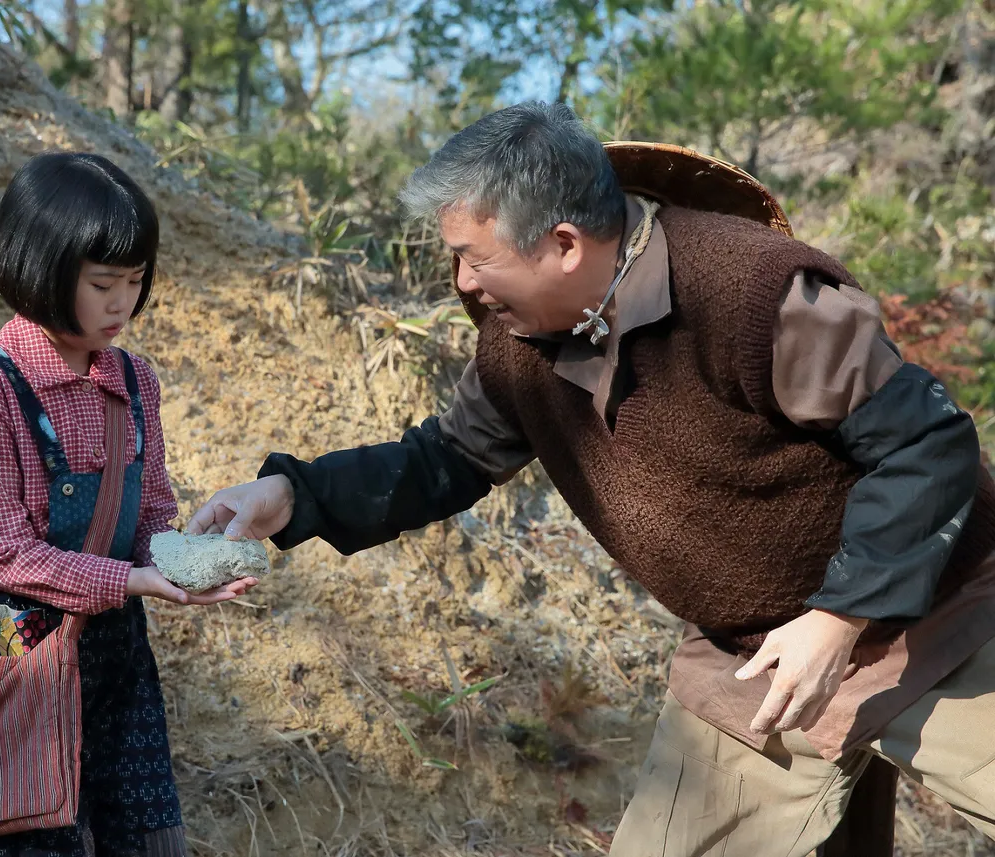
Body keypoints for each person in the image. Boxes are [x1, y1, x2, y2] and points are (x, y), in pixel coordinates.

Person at [188, 102, 995, 855]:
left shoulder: (756, 295)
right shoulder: (518, 345)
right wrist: (294, 495)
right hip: (746, 663)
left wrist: (838, 616)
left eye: (474, 256)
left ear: (566, 244)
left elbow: (927, 444)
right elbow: (446, 458)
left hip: (938, 619)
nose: (462, 281)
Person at [0, 152, 258, 856]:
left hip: (113, 647)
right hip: (10, 643)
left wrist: (186, 557)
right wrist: (133, 580)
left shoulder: (135, 380)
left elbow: (149, 512)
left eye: (135, 282)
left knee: (141, 836)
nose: (122, 303)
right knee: (31, 827)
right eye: (103, 283)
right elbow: (1, 554)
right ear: (40, 265)